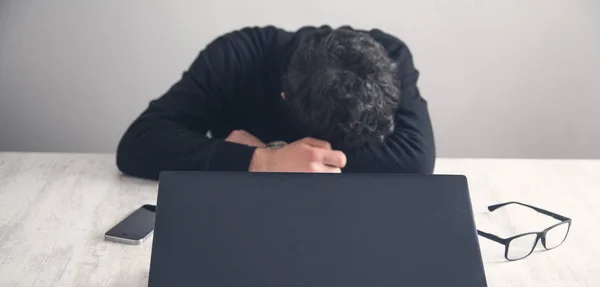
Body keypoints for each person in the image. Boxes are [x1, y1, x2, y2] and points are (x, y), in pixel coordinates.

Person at [116, 25, 435, 179]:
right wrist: (264, 163)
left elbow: (415, 160)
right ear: (284, 98)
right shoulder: (234, 58)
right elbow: (139, 144)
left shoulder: (389, 56)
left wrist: (274, 152)